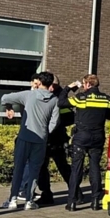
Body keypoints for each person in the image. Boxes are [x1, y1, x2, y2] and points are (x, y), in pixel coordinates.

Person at [1, 72, 60, 210]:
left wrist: (9, 107)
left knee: (19, 168)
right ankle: (29, 200)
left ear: (39, 82)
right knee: (35, 170)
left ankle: (13, 199)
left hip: (25, 137)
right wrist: (45, 132)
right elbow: (54, 121)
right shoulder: (55, 100)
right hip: (41, 139)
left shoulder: (29, 95)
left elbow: (4, 98)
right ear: (51, 84)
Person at [59, 74, 110, 211]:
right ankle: (95, 201)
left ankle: (72, 202)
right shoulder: (106, 99)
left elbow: (61, 102)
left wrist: (68, 88)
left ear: (88, 84)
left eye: (83, 84)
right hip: (98, 137)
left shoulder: (81, 98)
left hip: (81, 137)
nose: (83, 86)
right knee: (95, 168)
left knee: (76, 169)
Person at [34, 75, 74, 206]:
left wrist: (55, 122)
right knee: (44, 167)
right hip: (49, 138)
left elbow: (70, 117)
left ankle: (75, 192)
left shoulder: (58, 97)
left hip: (56, 138)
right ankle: (47, 194)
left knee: (61, 166)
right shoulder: (44, 94)